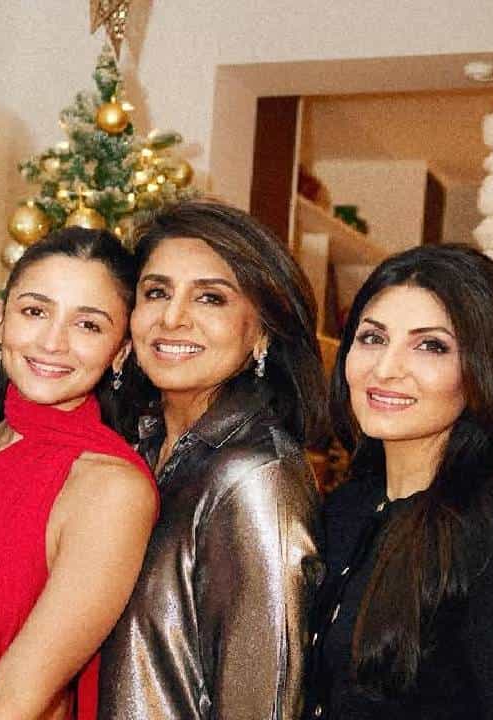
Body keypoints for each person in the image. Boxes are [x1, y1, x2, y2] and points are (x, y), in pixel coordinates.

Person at [306, 243, 493, 719]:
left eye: (430, 346)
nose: (386, 368)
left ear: (480, 370)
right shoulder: (344, 510)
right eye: (372, 338)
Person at [99, 199, 326, 720]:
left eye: (210, 298)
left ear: (262, 331)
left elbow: (264, 706)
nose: (172, 318)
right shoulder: (138, 448)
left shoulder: (254, 479)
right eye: (156, 292)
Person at [0, 228, 158, 719]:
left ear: (121, 351)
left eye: (88, 325)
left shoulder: (110, 488)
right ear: (1, 318)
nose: (53, 342)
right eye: (35, 312)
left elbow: (18, 698)